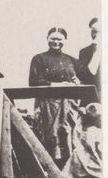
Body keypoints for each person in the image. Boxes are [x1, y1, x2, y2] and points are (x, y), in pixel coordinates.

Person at [28, 26, 81, 164]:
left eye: (59, 39)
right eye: (53, 38)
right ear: (47, 39)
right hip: (48, 105)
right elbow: (33, 81)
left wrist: (77, 81)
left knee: (67, 137)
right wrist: (57, 84)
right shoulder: (39, 59)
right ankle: (48, 168)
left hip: (68, 107)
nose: (56, 41)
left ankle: (66, 170)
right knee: (50, 137)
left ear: (65, 40)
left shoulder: (72, 60)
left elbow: (83, 79)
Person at [67, 102, 103, 178]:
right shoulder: (94, 131)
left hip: (85, 157)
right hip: (89, 158)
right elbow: (97, 148)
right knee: (97, 177)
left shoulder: (83, 129)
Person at [76, 17, 101, 99]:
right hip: (93, 98)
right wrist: (97, 52)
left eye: (100, 32)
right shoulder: (84, 52)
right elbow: (85, 77)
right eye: (94, 32)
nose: (97, 35)